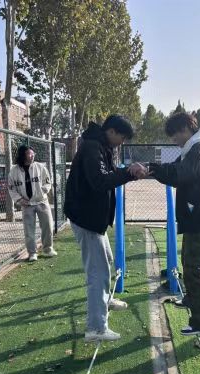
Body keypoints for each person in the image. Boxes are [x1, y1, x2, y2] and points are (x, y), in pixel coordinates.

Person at [65, 115, 145, 342]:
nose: (122, 142)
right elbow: (100, 181)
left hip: (93, 218)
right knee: (97, 273)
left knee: (106, 259)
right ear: (111, 131)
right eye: (122, 137)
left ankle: (104, 301)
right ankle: (96, 328)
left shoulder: (101, 146)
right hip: (86, 219)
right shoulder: (92, 147)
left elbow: (109, 175)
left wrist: (129, 174)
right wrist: (128, 172)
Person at [146, 112, 200, 336]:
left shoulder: (199, 148)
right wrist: (152, 169)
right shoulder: (194, 148)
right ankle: (192, 299)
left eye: (174, 135)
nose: (174, 140)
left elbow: (180, 174)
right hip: (196, 214)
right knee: (187, 261)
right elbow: (174, 169)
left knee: (194, 268)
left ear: (185, 129)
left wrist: (152, 168)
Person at [8, 144, 56, 262]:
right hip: (26, 204)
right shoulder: (14, 171)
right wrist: (19, 200)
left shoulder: (40, 167)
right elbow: (11, 188)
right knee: (29, 230)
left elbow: (47, 182)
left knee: (48, 225)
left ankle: (48, 249)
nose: (32, 155)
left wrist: (43, 191)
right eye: (29, 153)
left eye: (33, 153)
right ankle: (32, 253)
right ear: (23, 155)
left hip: (41, 201)